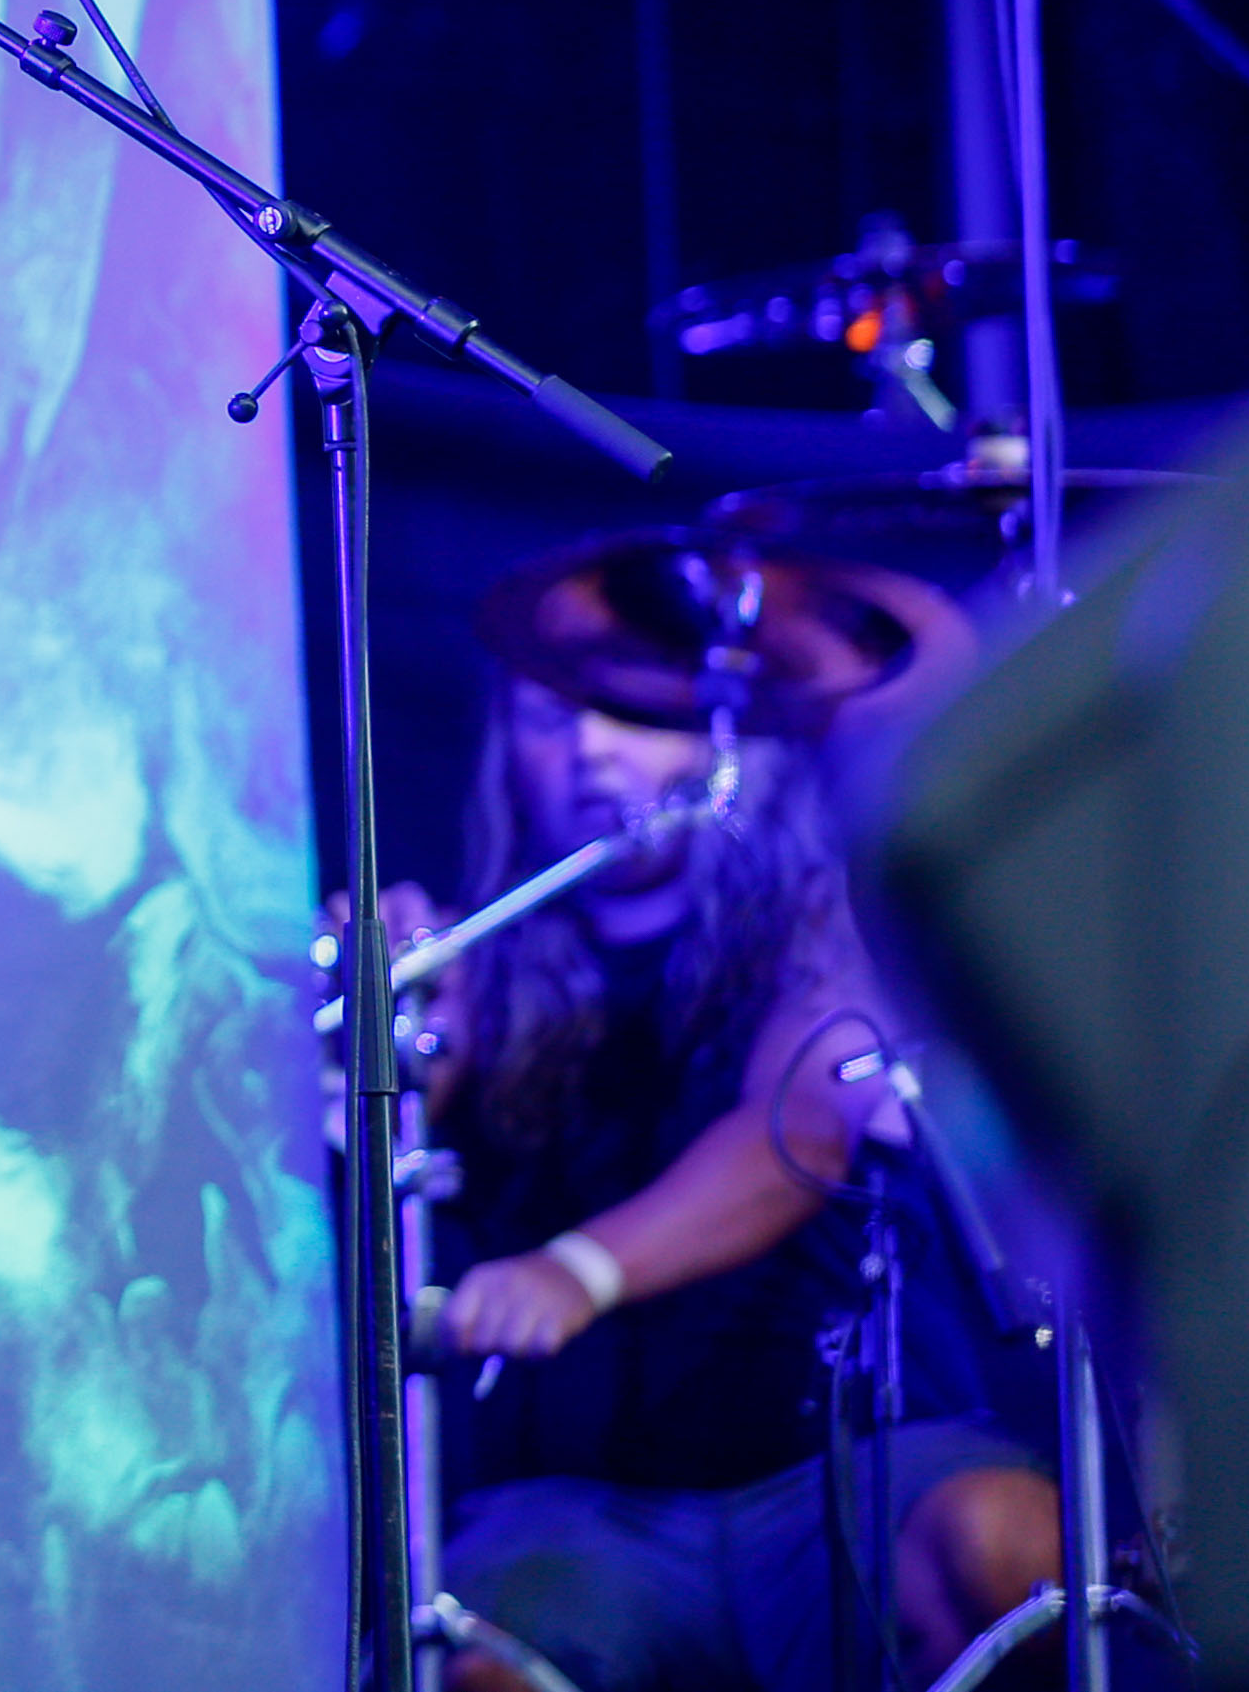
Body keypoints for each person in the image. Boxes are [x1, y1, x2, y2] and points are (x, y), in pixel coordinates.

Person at [392, 538, 1058, 1692]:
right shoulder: (471, 961)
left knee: (1005, 1545)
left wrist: (574, 1272)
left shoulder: (826, 925)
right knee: (478, 1653)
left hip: (852, 1473)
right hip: (586, 1513)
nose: (590, 748)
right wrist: (391, 1039)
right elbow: (383, 1150)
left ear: (722, 735)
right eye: (550, 719)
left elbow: (795, 1131)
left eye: (628, 711)